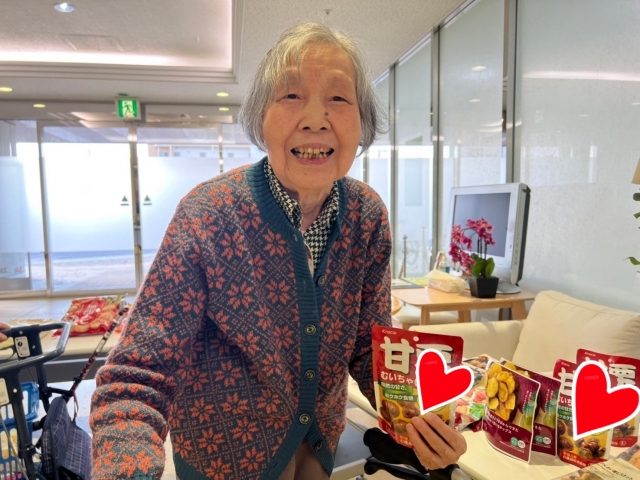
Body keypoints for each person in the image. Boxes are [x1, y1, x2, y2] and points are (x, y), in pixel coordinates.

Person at [90, 22, 467, 480]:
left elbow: (370, 352)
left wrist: (421, 421)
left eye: (338, 98)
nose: (315, 119)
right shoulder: (208, 214)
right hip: (223, 462)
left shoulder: (366, 215)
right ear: (260, 120)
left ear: (362, 124)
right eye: (290, 95)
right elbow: (136, 376)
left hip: (317, 448)